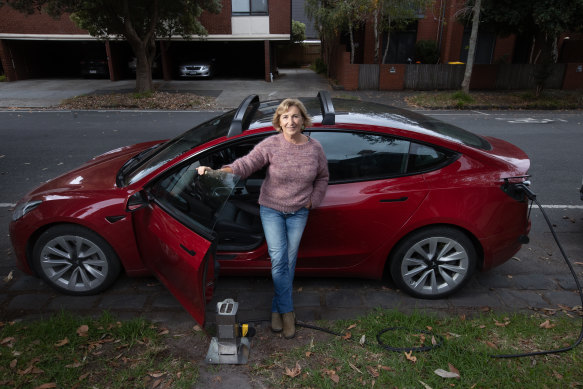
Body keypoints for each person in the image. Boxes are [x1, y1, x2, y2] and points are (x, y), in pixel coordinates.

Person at [197, 98, 329, 339]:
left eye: (295, 116)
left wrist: (314, 199)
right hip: (272, 210)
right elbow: (246, 164)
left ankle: (276, 310)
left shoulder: (315, 148)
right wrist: (218, 173)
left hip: (299, 211)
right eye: (286, 116)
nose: (291, 121)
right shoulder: (271, 144)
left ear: (303, 120)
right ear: (279, 121)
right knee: (279, 261)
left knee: (289, 262)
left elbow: (322, 177)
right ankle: (288, 313)